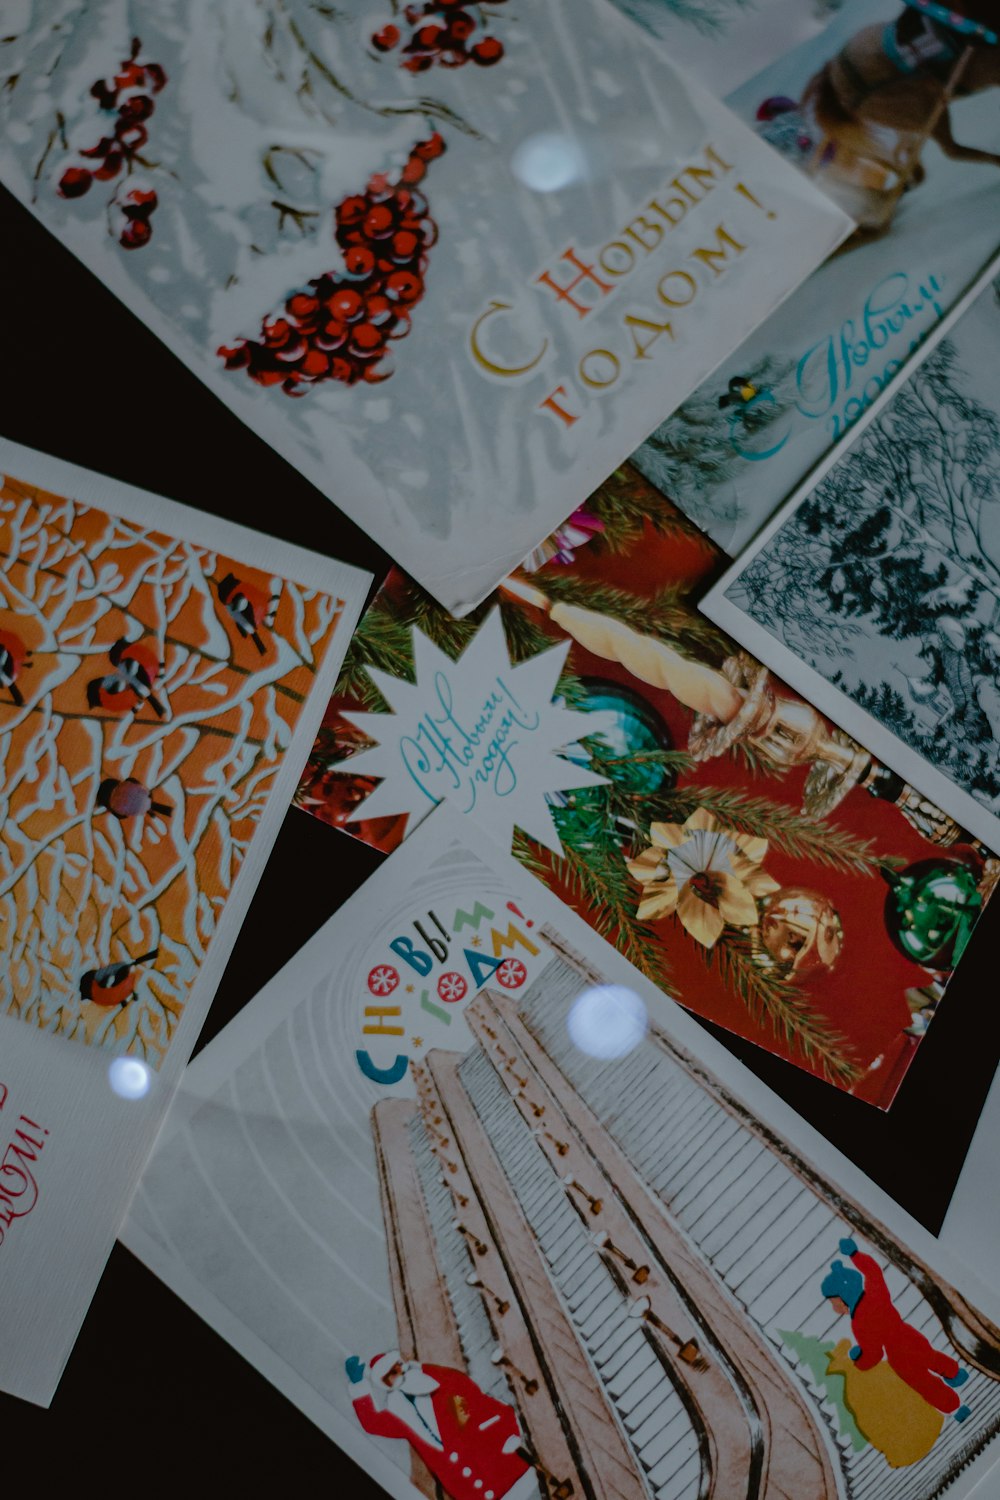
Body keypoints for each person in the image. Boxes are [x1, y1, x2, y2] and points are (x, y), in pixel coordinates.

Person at [347, 1350, 540, 1500]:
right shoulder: (400, 1412)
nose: (399, 1374)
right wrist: (358, 1386)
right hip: (470, 1492)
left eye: (397, 1368)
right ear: (385, 1384)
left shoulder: (440, 1381)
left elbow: (481, 1406)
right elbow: (373, 1423)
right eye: (390, 1375)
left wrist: (503, 1435)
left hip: (505, 1472)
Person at [822, 1238, 971, 1420]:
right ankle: (955, 1373)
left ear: (844, 1297)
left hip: (899, 1356)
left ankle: (954, 1407)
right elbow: (873, 1272)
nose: (834, 1308)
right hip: (909, 1335)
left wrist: (859, 1359)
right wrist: (855, 1255)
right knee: (930, 1356)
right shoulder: (875, 1293)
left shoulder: (860, 1323)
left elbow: (874, 1354)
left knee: (923, 1383)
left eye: (833, 1302)